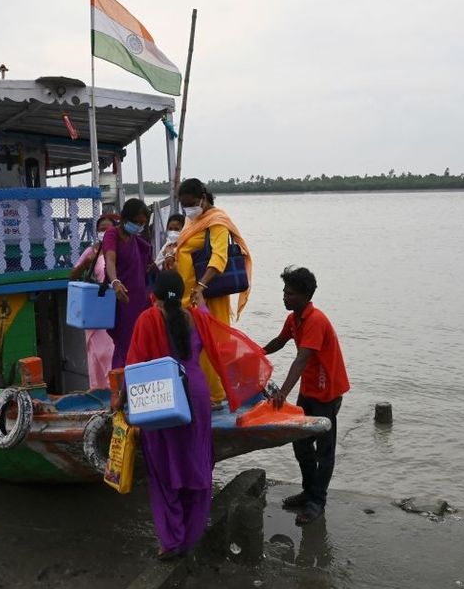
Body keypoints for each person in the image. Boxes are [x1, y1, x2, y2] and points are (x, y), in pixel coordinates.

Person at [125, 271, 220, 559]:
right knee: (196, 462)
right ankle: (190, 537)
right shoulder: (199, 317)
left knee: (164, 467)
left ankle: (171, 541)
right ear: (181, 295)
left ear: (153, 296)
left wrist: (120, 401)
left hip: (162, 395)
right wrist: (201, 299)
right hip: (197, 395)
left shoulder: (148, 318)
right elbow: (210, 331)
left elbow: (135, 364)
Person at [263, 266, 349, 525]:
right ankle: (308, 491)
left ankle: (317, 502)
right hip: (309, 389)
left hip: (327, 392)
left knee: (325, 449)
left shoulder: (315, 321)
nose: (284, 297)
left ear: (304, 296)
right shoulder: (294, 319)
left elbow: (301, 360)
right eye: (284, 291)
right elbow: (280, 341)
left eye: (289, 293)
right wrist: (256, 353)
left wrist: (281, 393)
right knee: (300, 442)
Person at [173, 178, 253, 409]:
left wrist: (202, 286)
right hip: (188, 293)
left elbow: (219, 256)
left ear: (203, 199)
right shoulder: (192, 219)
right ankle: (201, 389)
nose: (187, 209)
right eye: (183, 204)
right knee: (193, 342)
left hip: (208, 293)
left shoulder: (217, 221)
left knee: (212, 342)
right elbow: (184, 247)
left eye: (190, 203)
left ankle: (215, 395)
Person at [69, 214, 118, 389]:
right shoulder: (91, 251)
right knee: (95, 353)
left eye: (108, 230)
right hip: (94, 305)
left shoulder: (119, 249)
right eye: (100, 230)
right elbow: (73, 275)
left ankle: (113, 389)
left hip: (113, 306)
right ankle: (97, 390)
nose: (103, 233)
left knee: (109, 351)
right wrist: (85, 263)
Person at [103, 198, 153, 369]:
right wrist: (115, 282)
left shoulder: (137, 240)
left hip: (141, 300)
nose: (139, 226)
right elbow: (110, 260)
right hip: (122, 299)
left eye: (143, 223)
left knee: (142, 342)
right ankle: (120, 384)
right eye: (137, 222)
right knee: (124, 344)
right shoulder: (112, 234)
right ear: (125, 218)